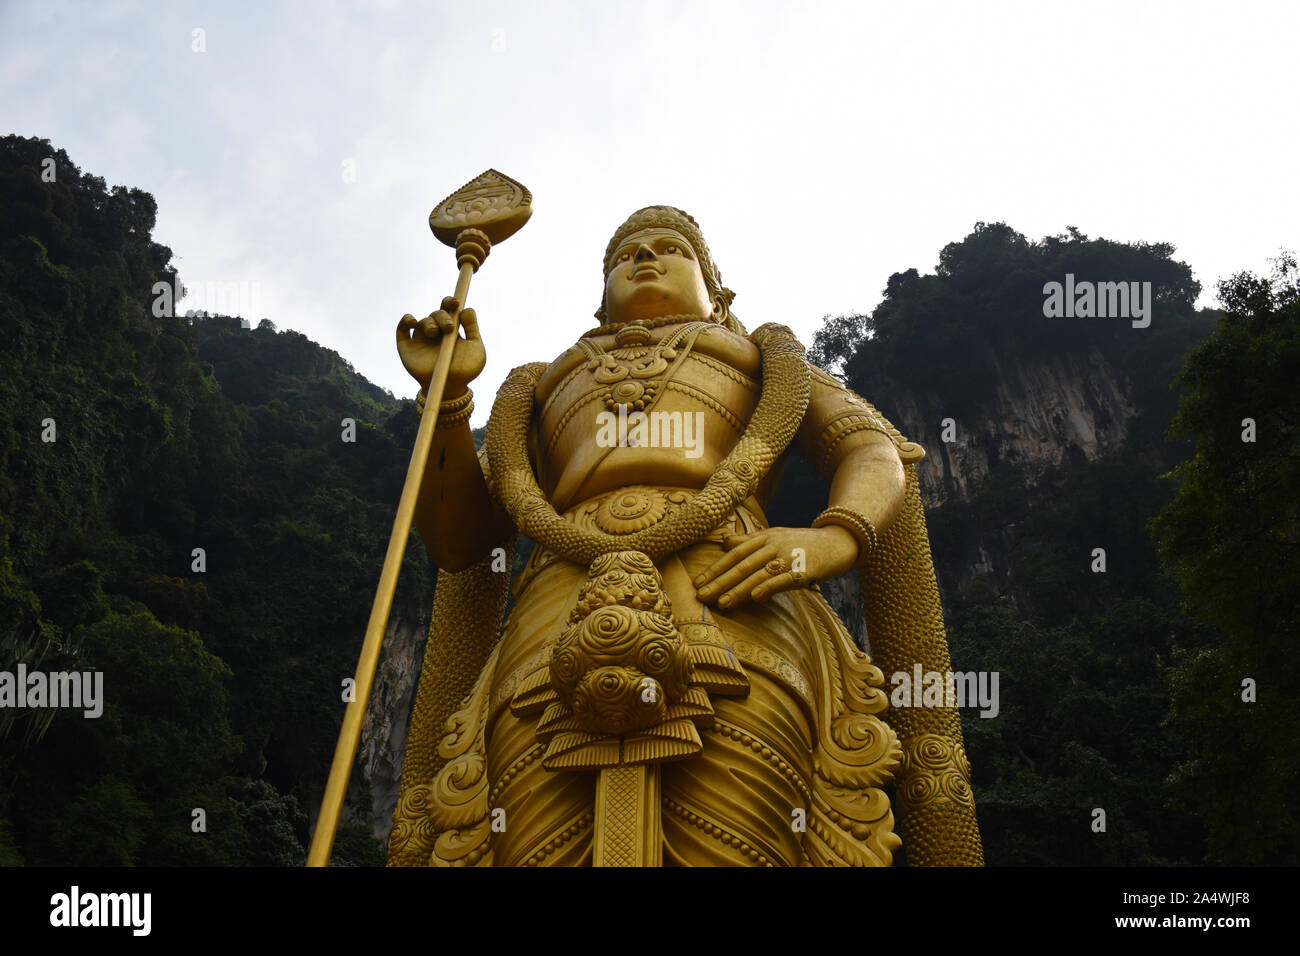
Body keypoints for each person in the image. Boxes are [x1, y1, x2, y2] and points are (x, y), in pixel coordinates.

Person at [388, 206, 982, 866]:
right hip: (557, 608)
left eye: (672, 248)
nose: (645, 257)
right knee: (531, 840)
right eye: (624, 254)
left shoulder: (763, 362)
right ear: (600, 296)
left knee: (744, 832)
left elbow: (871, 449)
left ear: (715, 289)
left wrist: (834, 535)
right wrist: (448, 401)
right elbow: (460, 540)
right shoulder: (546, 384)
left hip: (731, 589)